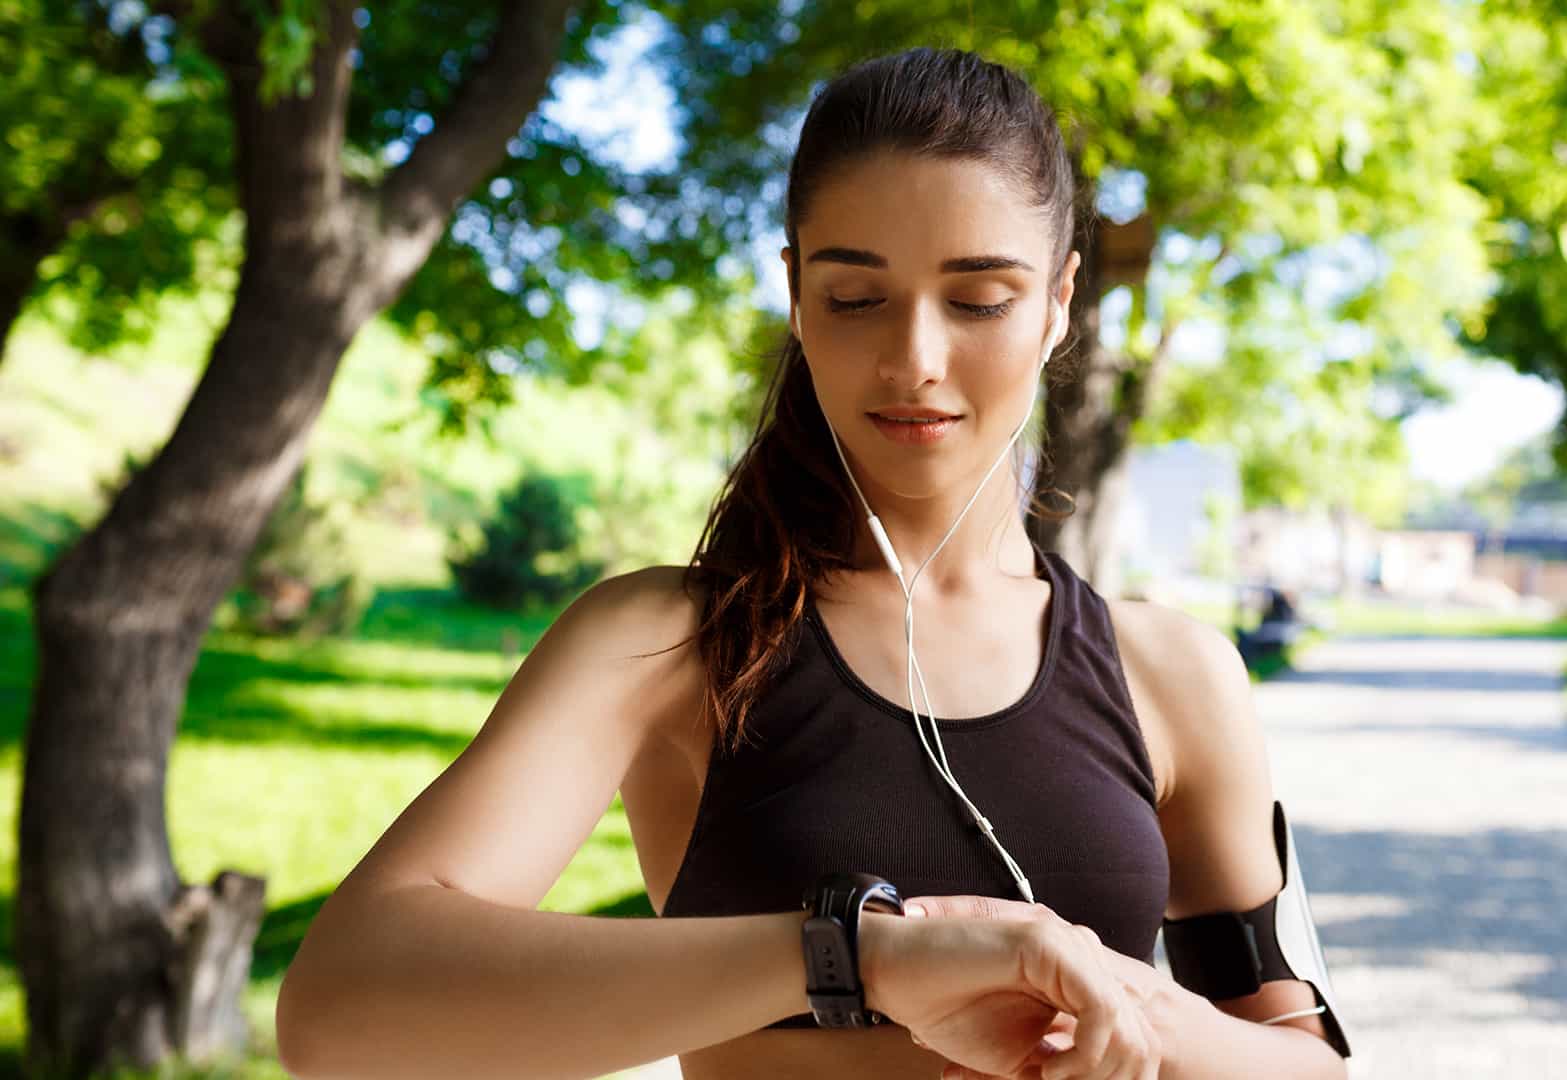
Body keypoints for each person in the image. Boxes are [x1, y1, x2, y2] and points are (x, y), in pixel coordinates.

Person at [275, 47, 1348, 1080]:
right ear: (796, 293)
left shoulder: (1170, 672)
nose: (915, 360)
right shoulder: (669, 645)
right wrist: (864, 957)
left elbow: (1304, 1062)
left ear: (1061, 304)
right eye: (854, 297)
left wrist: (1113, 997)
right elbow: (338, 1012)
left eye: (980, 298)